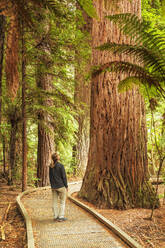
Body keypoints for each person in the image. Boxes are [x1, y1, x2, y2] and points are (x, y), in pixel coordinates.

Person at [49, 152, 68, 222]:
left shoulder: (50, 166)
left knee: (54, 202)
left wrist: (52, 185)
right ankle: (61, 216)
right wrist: (66, 186)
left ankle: (55, 216)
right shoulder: (61, 166)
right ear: (58, 158)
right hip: (61, 186)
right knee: (62, 202)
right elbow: (64, 177)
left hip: (54, 187)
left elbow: (50, 177)